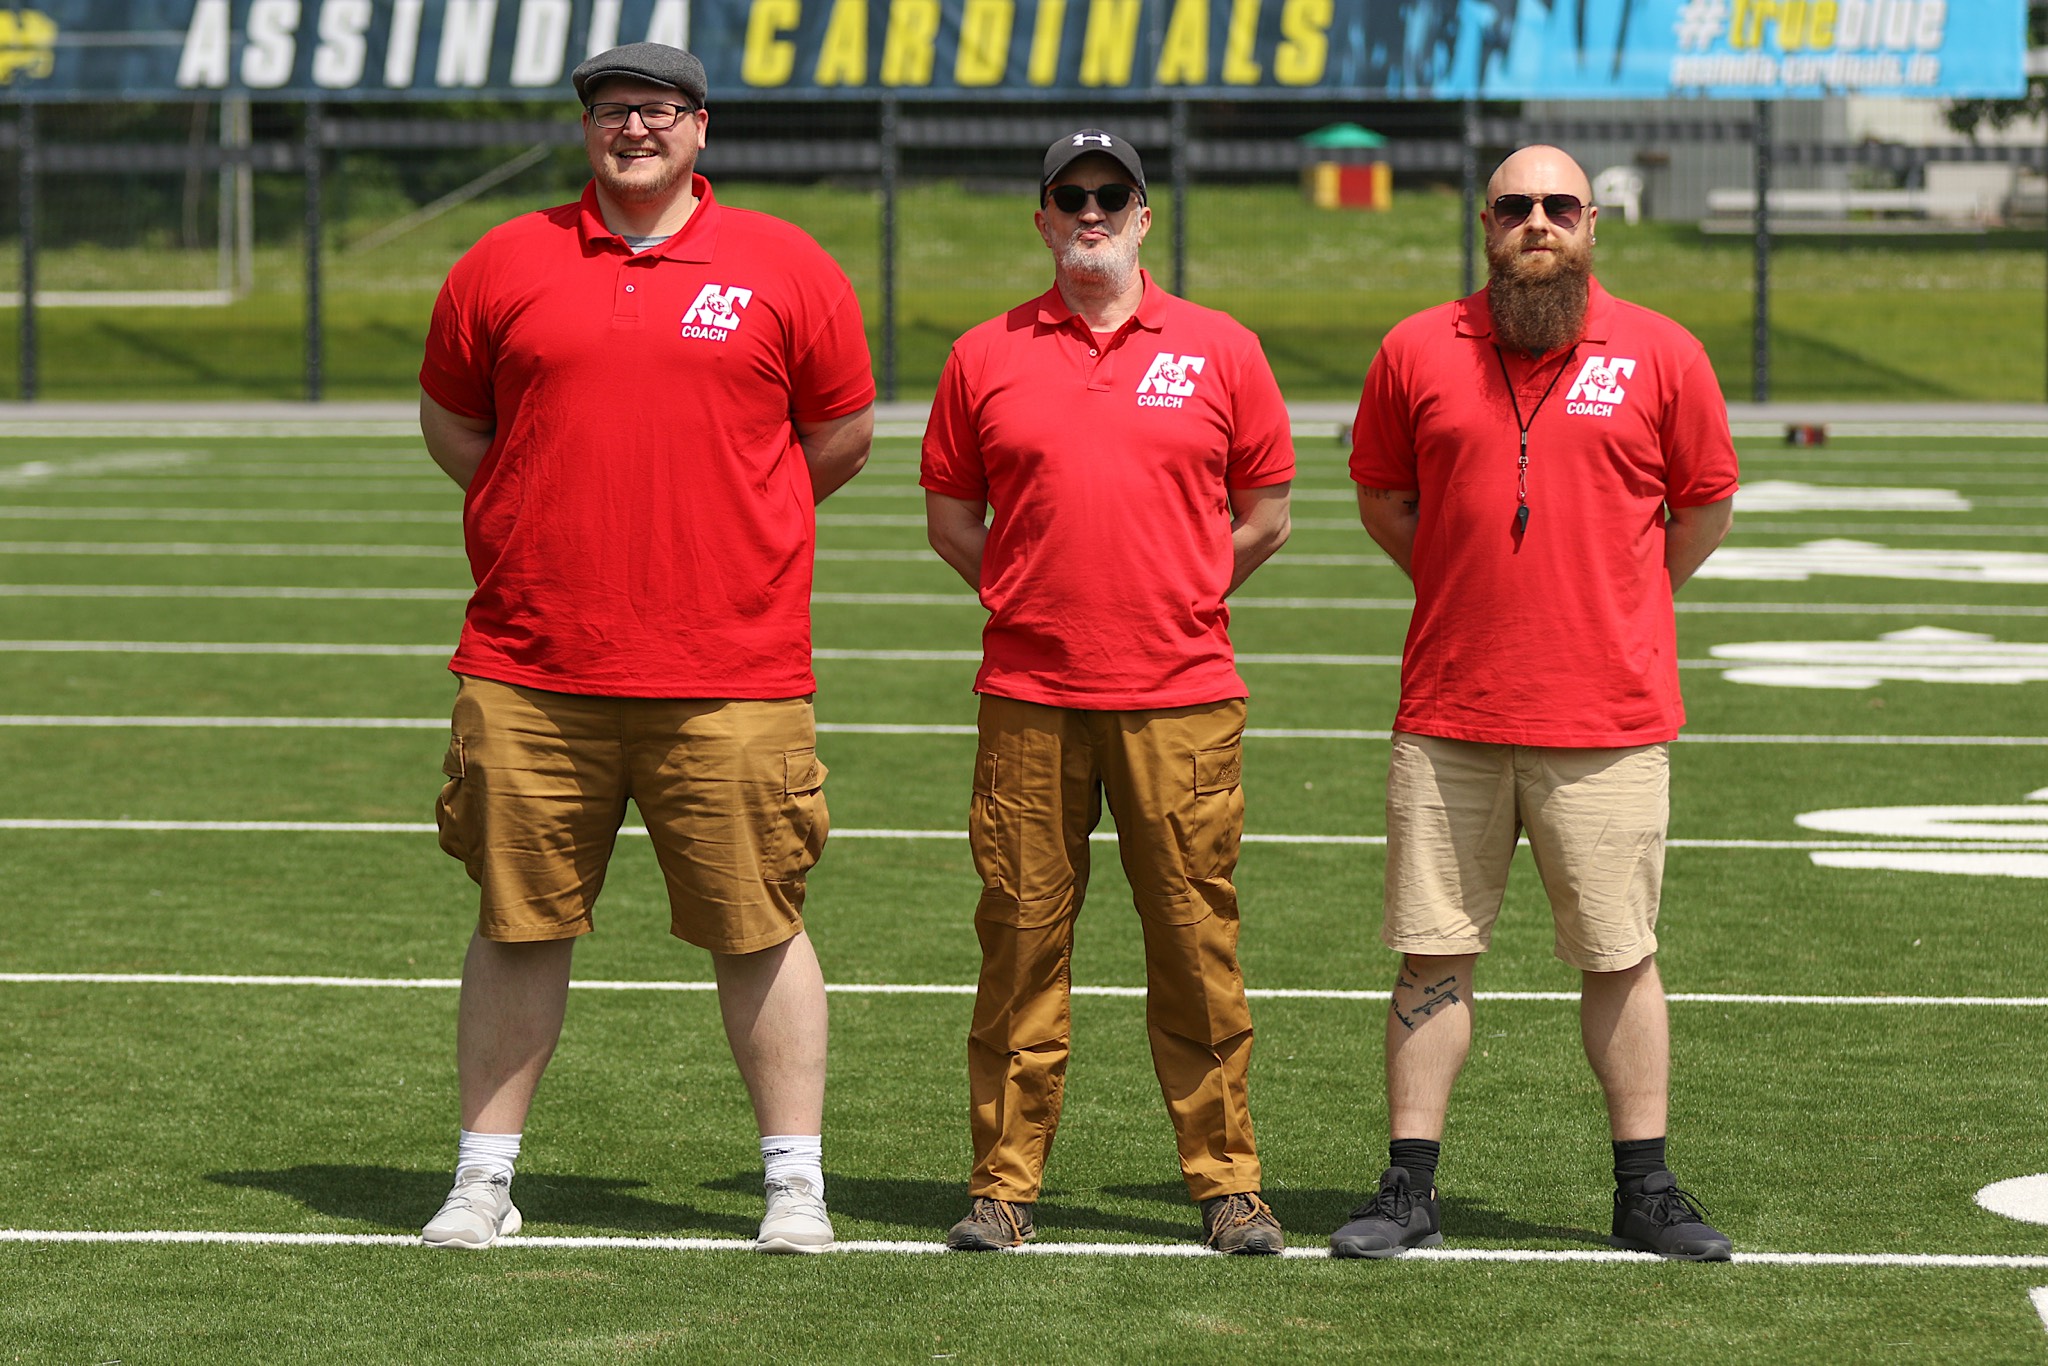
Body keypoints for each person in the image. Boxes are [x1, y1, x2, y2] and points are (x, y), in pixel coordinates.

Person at [413, 42, 874, 1254]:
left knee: (757, 922)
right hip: (531, 662)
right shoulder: (502, 259)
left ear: (700, 129)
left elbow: (837, 437)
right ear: (587, 130)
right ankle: (482, 1178)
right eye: (615, 111)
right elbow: (456, 424)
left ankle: (792, 1184)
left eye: (659, 111)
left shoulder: (786, 263)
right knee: (519, 920)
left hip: (731, 667)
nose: (636, 129)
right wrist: (537, 500)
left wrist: (728, 522)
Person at [1334, 144, 1738, 1261]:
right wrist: (1467, 585)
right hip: (1449, 714)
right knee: (1429, 954)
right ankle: (1408, 1188)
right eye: (1514, 207)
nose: (1537, 222)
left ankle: (1643, 1188)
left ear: (1592, 221)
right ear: (1483, 223)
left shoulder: (1661, 350)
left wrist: (1620, 600)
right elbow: (1381, 496)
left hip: (1606, 721)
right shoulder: (1416, 346)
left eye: (1558, 205)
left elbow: (1701, 506)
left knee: (1619, 953)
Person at [921, 129, 1296, 1255]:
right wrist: (1035, 595)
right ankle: (1003, 1185)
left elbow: (1267, 511)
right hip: (1029, 696)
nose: (1090, 211)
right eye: (1067, 196)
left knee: (1193, 942)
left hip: (1180, 698)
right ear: (1041, 219)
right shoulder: (980, 354)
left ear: (1143, 216)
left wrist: (1175, 594)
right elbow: (951, 519)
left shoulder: (1222, 347)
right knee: (1020, 940)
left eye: (1110, 195)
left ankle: (1227, 1184)